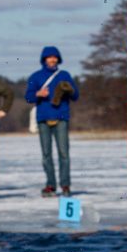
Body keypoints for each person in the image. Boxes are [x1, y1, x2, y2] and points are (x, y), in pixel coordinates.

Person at [25, 46, 79, 197]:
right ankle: (50, 185)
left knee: (64, 153)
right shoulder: (35, 76)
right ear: (44, 59)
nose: (52, 59)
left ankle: (65, 185)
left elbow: (76, 96)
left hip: (61, 117)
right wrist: (38, 93)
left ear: (58, 59)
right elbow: (28, 97)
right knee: (46, 154)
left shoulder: (65, 75)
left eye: (55, 57)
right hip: (43, 119)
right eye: (49, 57)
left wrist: (70, 90)